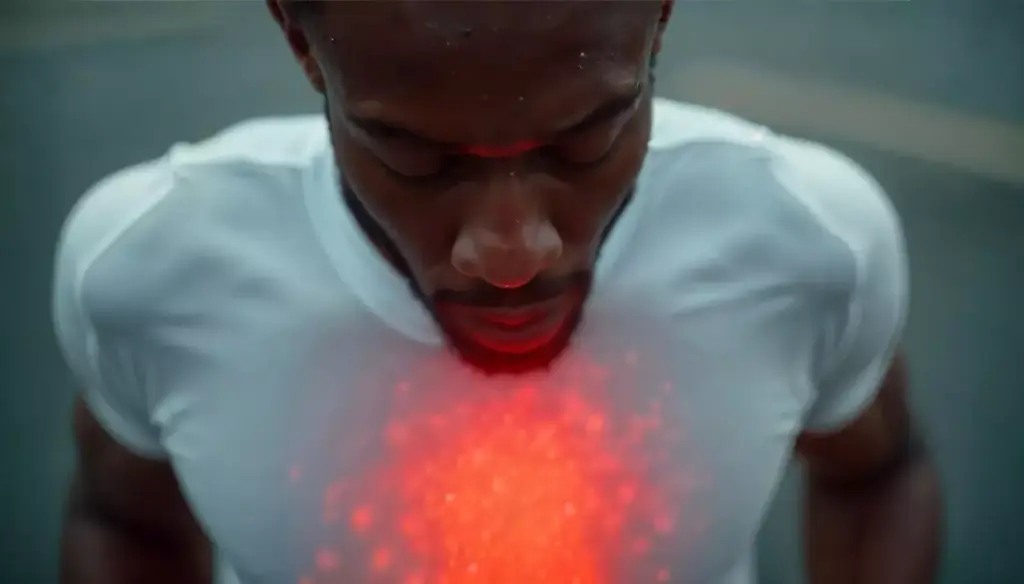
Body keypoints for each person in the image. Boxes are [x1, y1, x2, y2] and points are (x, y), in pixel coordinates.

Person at [53, 2, 942, 583]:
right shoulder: (151, 267)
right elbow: (125, 522)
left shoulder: (805, 239)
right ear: (297, 36)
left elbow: (876, 477)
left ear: (661, 17)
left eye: (584, 141)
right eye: (418, 157)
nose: (511, 254)